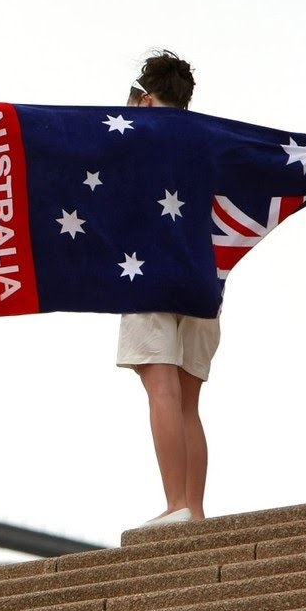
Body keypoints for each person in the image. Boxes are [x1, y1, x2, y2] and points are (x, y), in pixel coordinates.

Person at [115, 49, 217, 528]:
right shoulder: (209, 140)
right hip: (204, 276)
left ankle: (176, 503)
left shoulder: (134, 138)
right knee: (189, 401)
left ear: (148, 98)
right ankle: (193, 509)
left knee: (161, 389)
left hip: (149, 272)